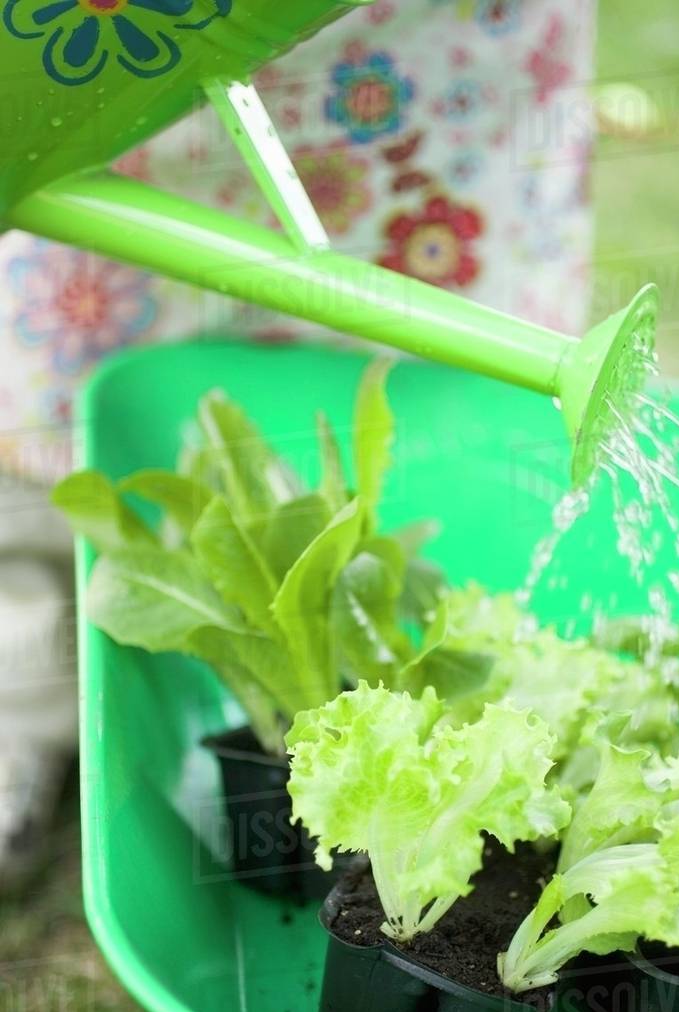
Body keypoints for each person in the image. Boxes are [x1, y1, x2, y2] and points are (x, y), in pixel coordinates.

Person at [0, 0, 595, 888]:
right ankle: (26, 699)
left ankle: (436, 709)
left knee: (412, 388)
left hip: (418, 63)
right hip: (118, 58)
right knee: (73, 369)